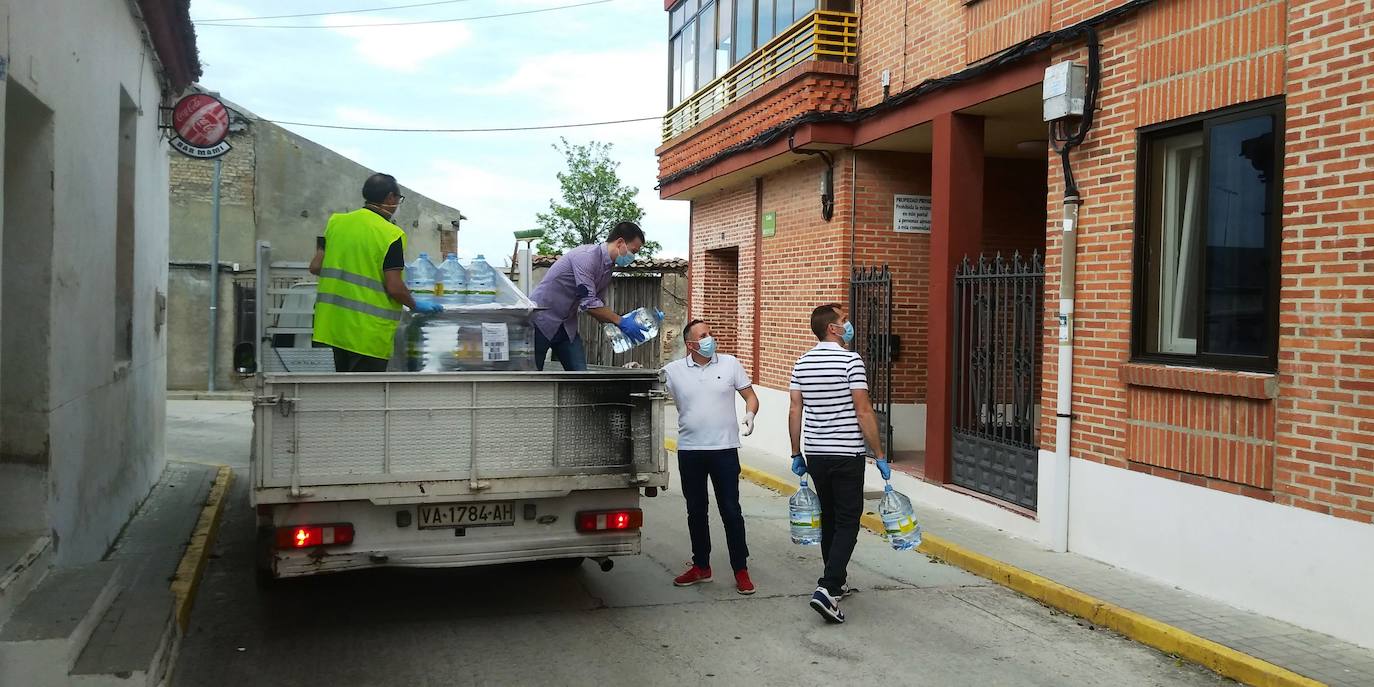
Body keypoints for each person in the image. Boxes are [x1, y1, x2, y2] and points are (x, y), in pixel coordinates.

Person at [788, 303, 890, 624]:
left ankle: (838, 580)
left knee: (830, 517)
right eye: (844, 320)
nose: (849, 325)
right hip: (846, 453)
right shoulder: (851, 359)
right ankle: (828, 588)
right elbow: (863, 410)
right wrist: (880, 454)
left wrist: (796, 453)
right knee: (848, 519)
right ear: (832, 328)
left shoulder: (801, 362)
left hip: (816, 454)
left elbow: (795, 411)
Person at [663, 319, 760, 595]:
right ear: (690, 344)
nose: (710, 338)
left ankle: (741, 569)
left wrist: (751, 414)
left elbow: (750, 396)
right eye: (704, 336)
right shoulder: (673, 371)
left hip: (725, 450)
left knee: (731, 510)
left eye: (710, 333)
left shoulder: (730, 364)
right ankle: (701, 566)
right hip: (691, 451)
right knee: (696, 511)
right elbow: (652, 389)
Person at [310, 173, 442, 372]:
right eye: (398, 199)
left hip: (328, 330)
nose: (397, 204)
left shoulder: (336, 222)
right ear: (390, 198)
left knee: (332, 398)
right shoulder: (390, 234)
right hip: (365, 336)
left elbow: (316, 267)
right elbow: (395, 287)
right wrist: (415, 305)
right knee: (364, 400)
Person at [528, 221, 649, 371]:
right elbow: (589, 304)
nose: (633, 257)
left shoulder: (607, 269)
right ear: (620, 243)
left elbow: (599, 305)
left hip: (566, 326)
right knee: (531, 378)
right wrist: (621, 321)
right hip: (541, 321)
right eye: (633, 251)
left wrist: (621, 327)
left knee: (580, 376)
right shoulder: (586, 257)